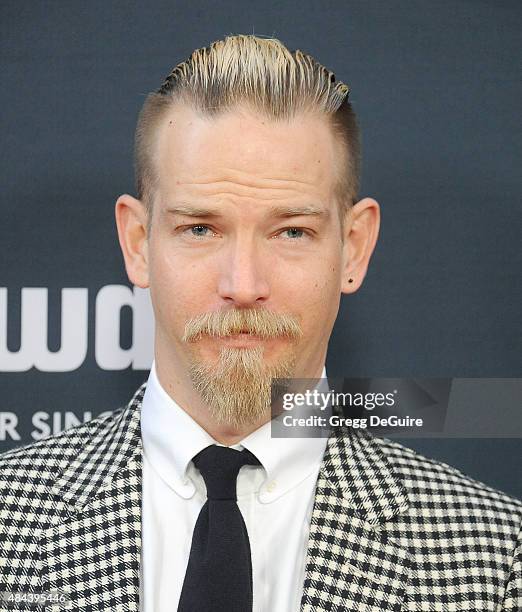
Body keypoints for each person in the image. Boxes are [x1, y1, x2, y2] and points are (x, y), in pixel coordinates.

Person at [0, 34, 520, 612]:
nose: (243, 285)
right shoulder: (10, 522)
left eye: (291, 232)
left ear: (353, 247)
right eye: (200, 228)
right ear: (138, 241)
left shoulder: (496, 561)